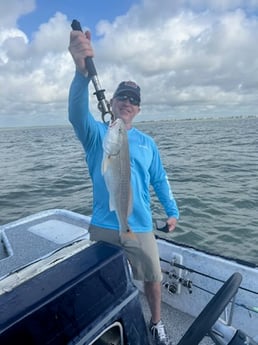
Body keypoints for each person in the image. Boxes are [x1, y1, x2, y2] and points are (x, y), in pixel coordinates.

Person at [68, 29, 179, 345]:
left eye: (134, 100)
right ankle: (105, 323)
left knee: (153, 280)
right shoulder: (96, 137)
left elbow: (160, 179)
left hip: (139, 225)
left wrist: (172, 211)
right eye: (122, 97)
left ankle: (156, 324)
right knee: (102, 281)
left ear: (138, 109)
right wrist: (80, 74)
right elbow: (76, 114)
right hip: (105, 224)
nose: (127, 103)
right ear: (112, 103)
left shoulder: (147, 143)